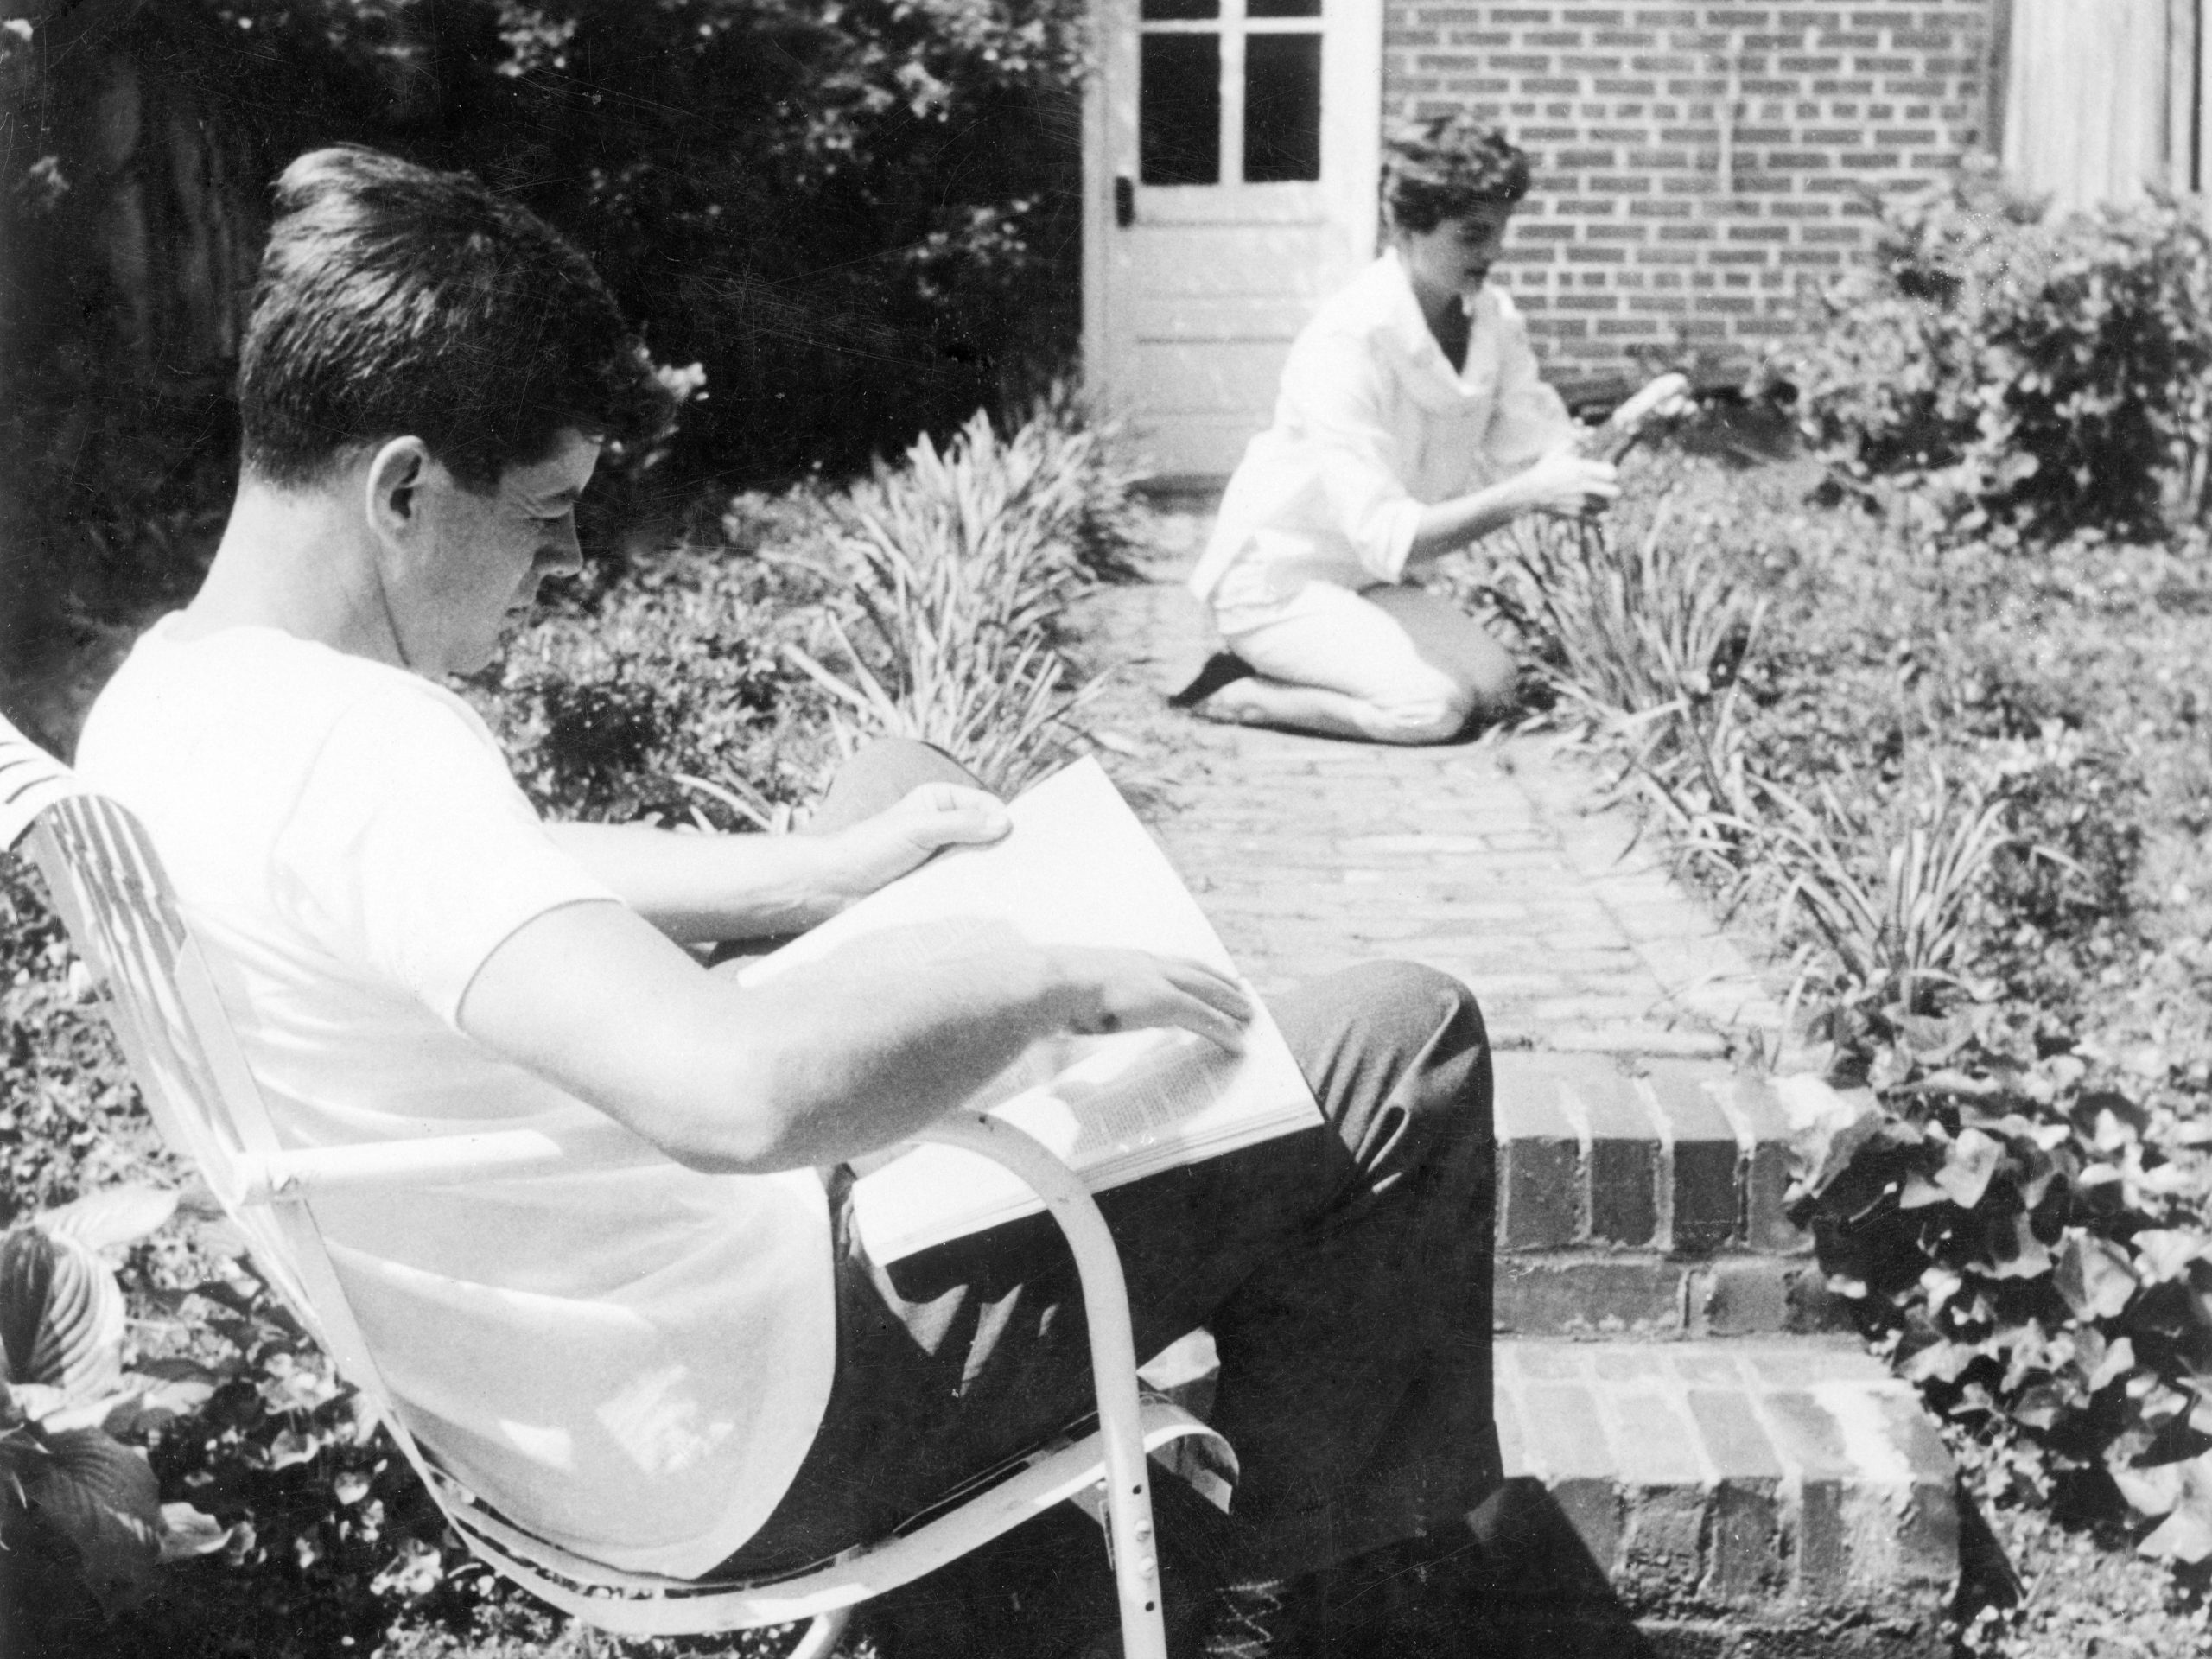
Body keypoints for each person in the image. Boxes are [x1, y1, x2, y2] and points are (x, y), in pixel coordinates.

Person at [74, 145, 1499, 1658]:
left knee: (900, 780)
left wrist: (824, 875)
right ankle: (1270, 1581)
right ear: (404, 488)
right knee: (1406, 1043)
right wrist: (1030, 976)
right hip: (770, 1408)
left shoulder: (175, 703)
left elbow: (495, 872)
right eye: (548, 512)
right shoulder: (370, 755)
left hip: (605, 1394)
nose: (563, 562)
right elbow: (737, 1098)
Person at [1174, 114, 1688, 744]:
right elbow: (1391, 537)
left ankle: (1328, 663)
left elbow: (1544, 457)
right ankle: (1239, 693)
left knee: (1498, 689)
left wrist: (1635, 423)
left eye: (1501, 231)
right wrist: (1525, 496)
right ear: (1405, 227)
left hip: (1367, 583)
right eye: (1473, 235)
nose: (1494, 253)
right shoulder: (1346, 341)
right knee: (1429, 709)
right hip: (1279, 583)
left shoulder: (1492, 320)